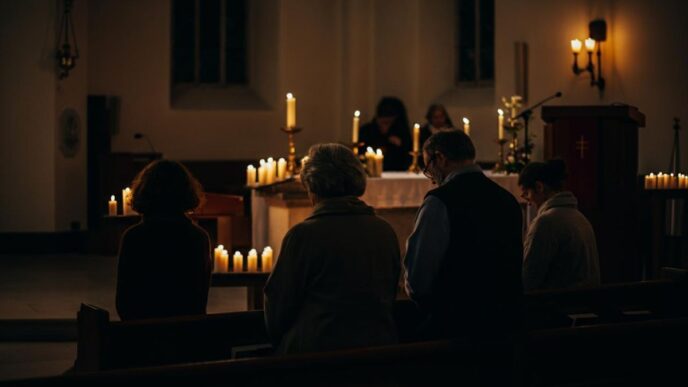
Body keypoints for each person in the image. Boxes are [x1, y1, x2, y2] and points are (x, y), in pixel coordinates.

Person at [404, 130, 523, 384]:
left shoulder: (440, 201)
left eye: (428, 167)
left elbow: (419, 277)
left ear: (440, 158)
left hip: (453, 330)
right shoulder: (508, 200)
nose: (431, 178)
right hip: (503, 326)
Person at [264, 143, 400, 354]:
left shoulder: (303, 235)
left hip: (318, 352)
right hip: (377, 347)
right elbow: (390, 294)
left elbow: (278, 305)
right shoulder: (384, 230)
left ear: (312, 186)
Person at [115, 160, 212, 320]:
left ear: (145, 192)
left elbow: (124, 302)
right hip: (186, 333)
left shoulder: (134, 237)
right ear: (186, 193)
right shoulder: (198, 238)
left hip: (143, 332)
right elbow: (198, 301)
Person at [519, 160, 600, 291]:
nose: (528, 204)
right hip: (584, 303)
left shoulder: (546, 223)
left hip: (559, 305)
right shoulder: (579, 217)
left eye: (527, 194)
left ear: (539, 187)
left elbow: (528, 279)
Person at [359, 96, 412, 171]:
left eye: (388, 122)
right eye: (383, 121)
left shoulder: (401, 132)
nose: (385, 125)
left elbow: (407, 155)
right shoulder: (366, 131)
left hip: (396, 170)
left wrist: (400, 145)